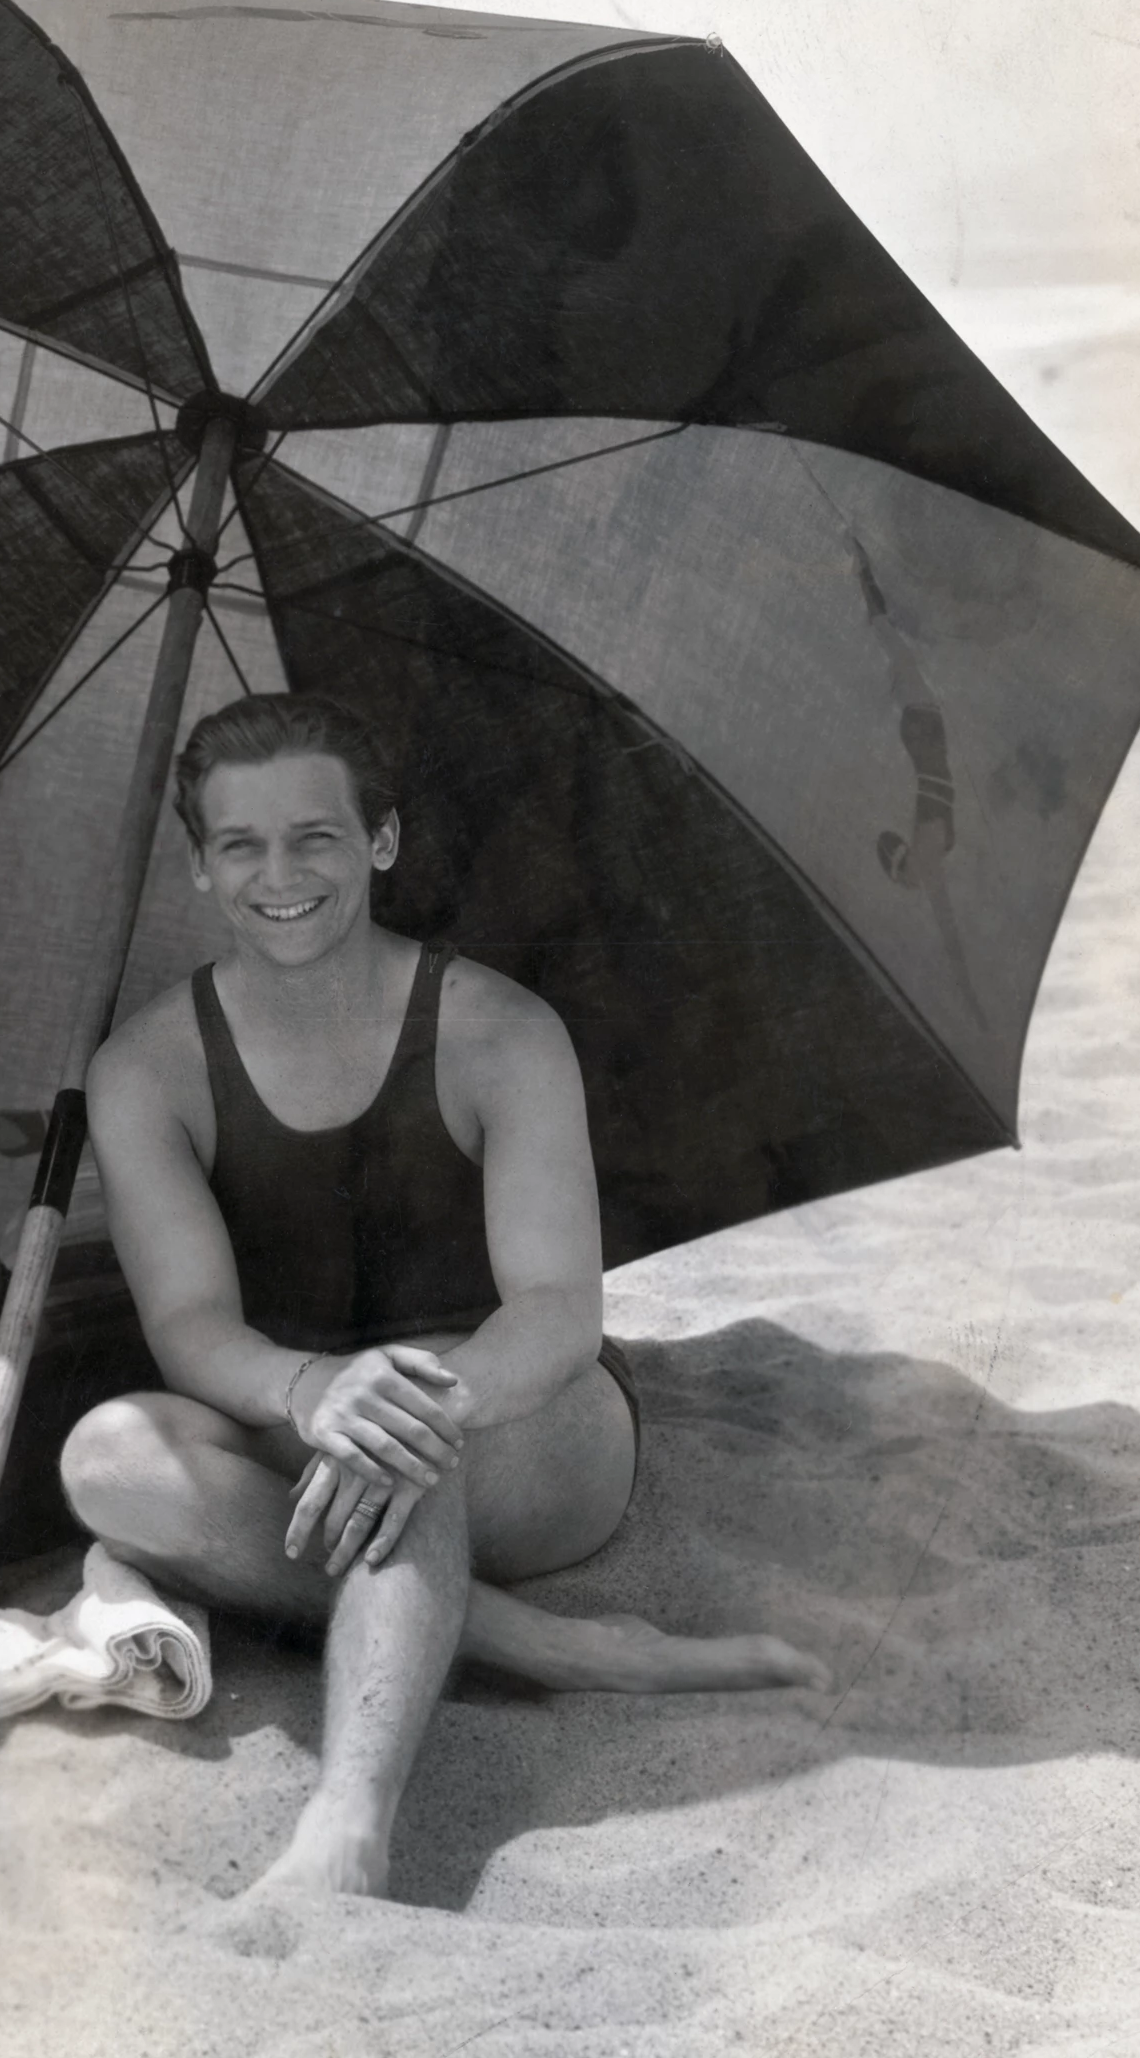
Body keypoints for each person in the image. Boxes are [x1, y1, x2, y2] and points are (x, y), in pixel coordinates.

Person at [59, 692, 829, 1894]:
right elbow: (190, 1327)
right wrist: (318, 1390)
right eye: (240, 845)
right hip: (298, 1413)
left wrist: (412, 1399)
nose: (280, 874)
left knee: (404, 1440)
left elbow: (558, 1311)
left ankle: (347, 1824)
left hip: (529, 1425)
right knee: (105, 1459)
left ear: (380, 842)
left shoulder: (497, 1032)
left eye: (314, 836)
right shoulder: (146, 1068)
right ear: (201, 869)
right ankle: (546, 1645)